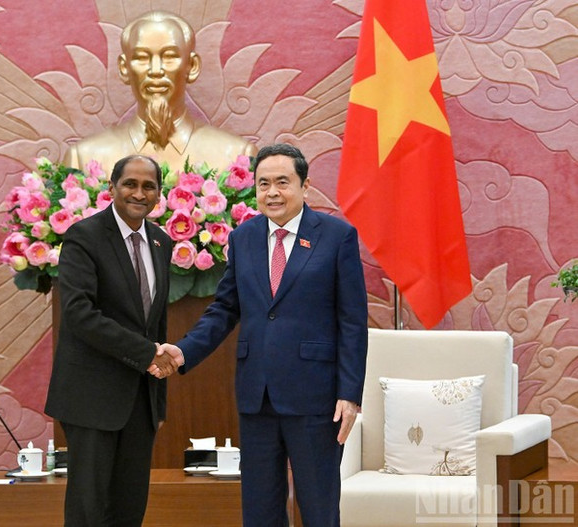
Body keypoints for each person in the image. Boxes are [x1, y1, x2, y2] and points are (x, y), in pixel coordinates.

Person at [160, 144, 368, 526]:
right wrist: (185, 351)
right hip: (257, 396)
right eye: (263, 184)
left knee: (319, 510)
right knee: (260, 512)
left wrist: (350, 394)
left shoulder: (336, 236)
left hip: (315, 398)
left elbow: (352, 321)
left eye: (283, 182)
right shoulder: (244, 237)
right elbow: (225, 308)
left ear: (305, 186)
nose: (272, 192)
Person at [44, 154, 183, 526]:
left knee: (129, 509)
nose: (139, 193)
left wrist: (158, 404)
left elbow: (157, 324)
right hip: (92, 397)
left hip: (140, 401)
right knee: (89, 511)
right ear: (112, 187)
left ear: (159, 194)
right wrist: (147, 352)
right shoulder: (84, 236)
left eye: (148, 186)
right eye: (130, 184)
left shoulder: (161, 242)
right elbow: (79, 314)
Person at [63, 11, 256, 174]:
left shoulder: (237, 157)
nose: (155, 70)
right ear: (124, 68)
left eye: (169, 56)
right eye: (141, 58)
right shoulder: (83, 158)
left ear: (192, 66)